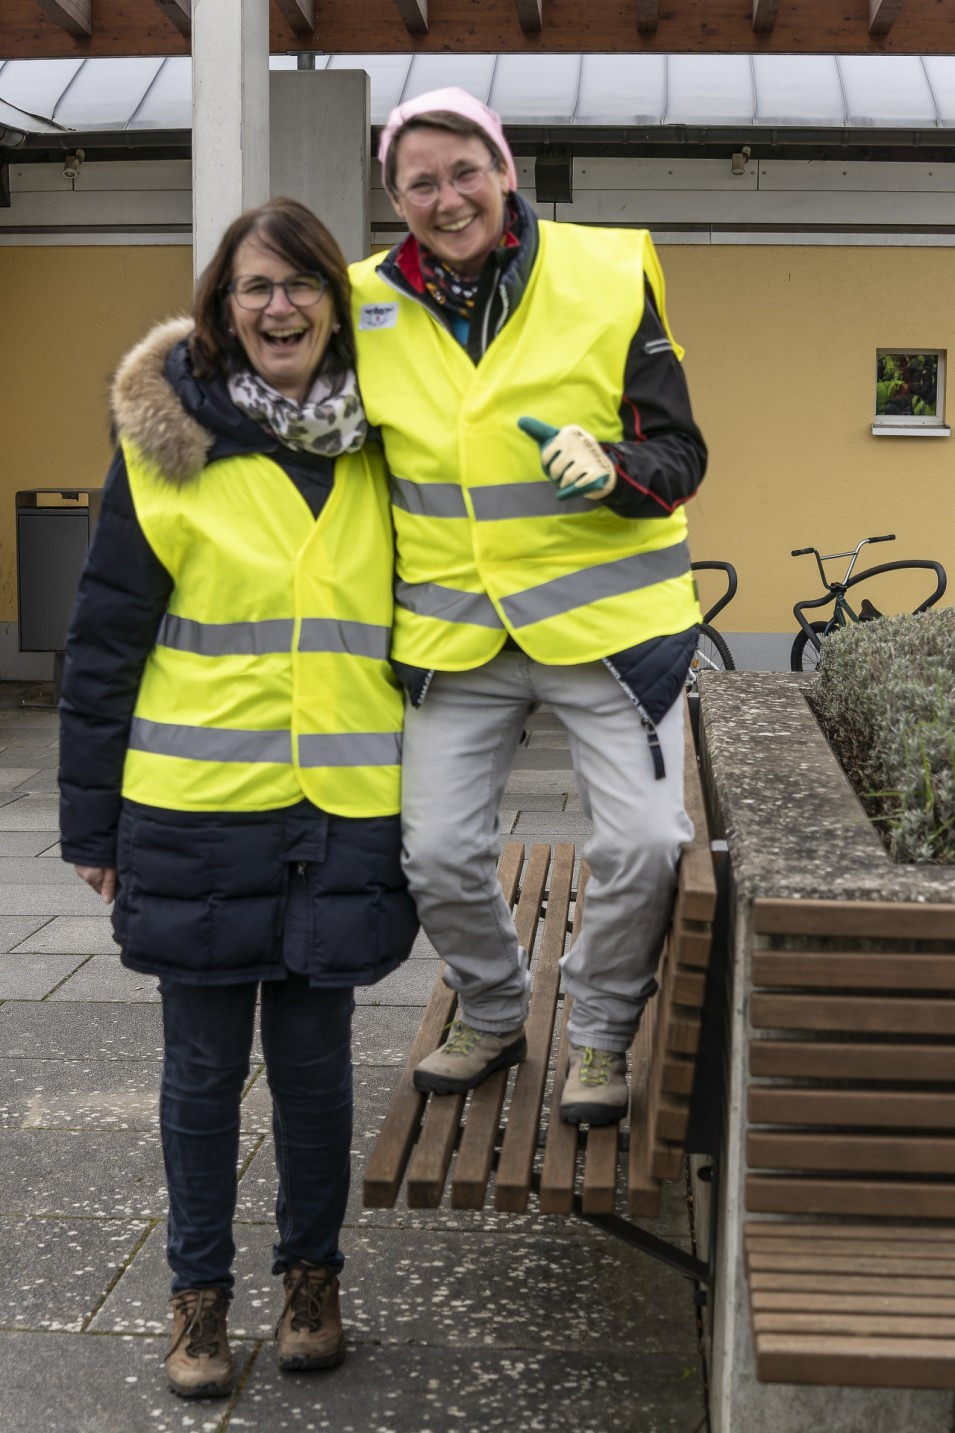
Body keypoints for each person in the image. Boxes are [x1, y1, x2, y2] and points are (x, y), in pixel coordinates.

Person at [58, 197, 417, 1399]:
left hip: (343, 809)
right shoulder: (169, 448)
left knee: (316, 1074)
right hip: (196, 808)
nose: (280, 306)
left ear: (337, 305)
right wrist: (90, 824)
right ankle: (197, 1299)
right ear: (222, 306)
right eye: (255, 286)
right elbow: (103, 642)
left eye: (302, 283)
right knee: (202, 1076)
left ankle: (312, 1280)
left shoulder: (387, 444)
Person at [349, 88, 707, 1127]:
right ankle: (494, 1010)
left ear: (504, 171)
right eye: (420, 182)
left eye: (465, 171)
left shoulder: (606, 270)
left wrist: (615, 468)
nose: (447, 197)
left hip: (611, 634)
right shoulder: (359, 300)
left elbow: (681, 454)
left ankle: (599, 1031)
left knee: (643, 843)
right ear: (396, 199)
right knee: (434, 853)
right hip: (454, 635)